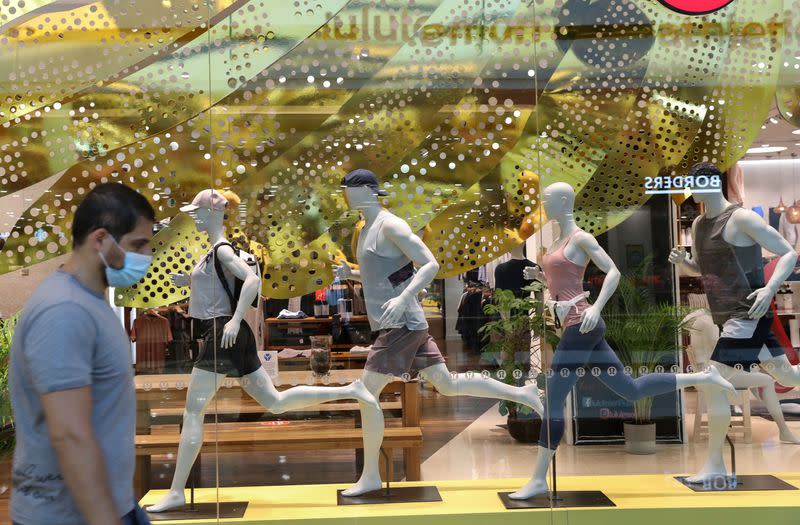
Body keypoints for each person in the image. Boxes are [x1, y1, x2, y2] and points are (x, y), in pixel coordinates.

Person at [335, 169, 544, 497]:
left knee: (365, 393)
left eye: (348, 189)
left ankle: (371, 475)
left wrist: (403, 298)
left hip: (402, 324)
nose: (345, 195)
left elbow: (429, 264)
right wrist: (354, 274)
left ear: (366, 190)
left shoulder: (391, 224)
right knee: (446, 385)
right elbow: (386, 276)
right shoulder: (366, 229)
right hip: (403, 322)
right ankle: (522, 394)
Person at [10, 183, 155, 525]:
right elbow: (69, 434)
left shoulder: (89, 302)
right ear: (101, 240)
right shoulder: (65, 311)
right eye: (138, 245)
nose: (146, 257)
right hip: (68, 516)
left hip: (106, 505)